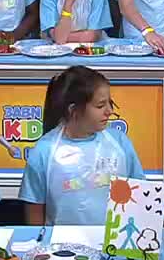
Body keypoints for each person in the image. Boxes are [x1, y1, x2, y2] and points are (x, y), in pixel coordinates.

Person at [18, 66, 145, 226]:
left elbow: (140, 193)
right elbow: (35, 211)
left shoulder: (120, 142)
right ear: (73, 110)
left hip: (113, 239)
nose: (109, 111)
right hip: (61, 241)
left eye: (110, 103)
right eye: (100, 106)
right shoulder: (44, 151)